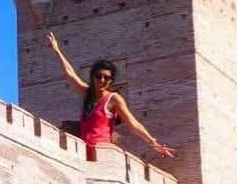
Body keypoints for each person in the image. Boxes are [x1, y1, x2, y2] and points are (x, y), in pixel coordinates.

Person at [46, 32, 175, 158]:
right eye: (98, 76)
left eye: (106, 77)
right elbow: (71, 74)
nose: (102, 80)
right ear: (93, 77)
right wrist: (57, 50)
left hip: (103, 156)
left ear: (111, 81)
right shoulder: (87, 93)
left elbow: (133, 124)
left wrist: (153, 143)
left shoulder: (114, 99)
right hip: (83, 154)